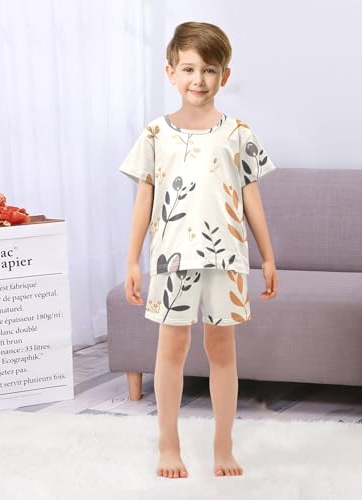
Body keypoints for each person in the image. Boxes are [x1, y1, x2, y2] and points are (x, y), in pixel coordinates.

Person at [119, 21, 279, 479]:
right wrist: (132, 259)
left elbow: (251, 199)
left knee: (222, 350)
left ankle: (223, 447)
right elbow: (145, 200)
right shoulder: (155, 134)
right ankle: (168, 445)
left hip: (226, 258)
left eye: (209, 70)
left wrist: (268, 256)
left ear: (224, 76)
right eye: (189, 69)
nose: (199, 79)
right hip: (171, 259)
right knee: (170, 350)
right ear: (170, 72)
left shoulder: (239, 133)